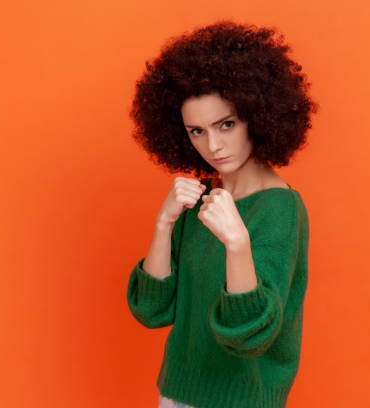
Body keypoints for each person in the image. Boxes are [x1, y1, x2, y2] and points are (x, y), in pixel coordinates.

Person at [126, 19, 319, 408]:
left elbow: (249, 336)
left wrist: (237, 243)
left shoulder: (280, 209)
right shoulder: (198, 202)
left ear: (258, 115)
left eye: (226, 124)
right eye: (196, 131)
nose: (213, 145)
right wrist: (164, 224)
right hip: (175, 394)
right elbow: (152, 310)